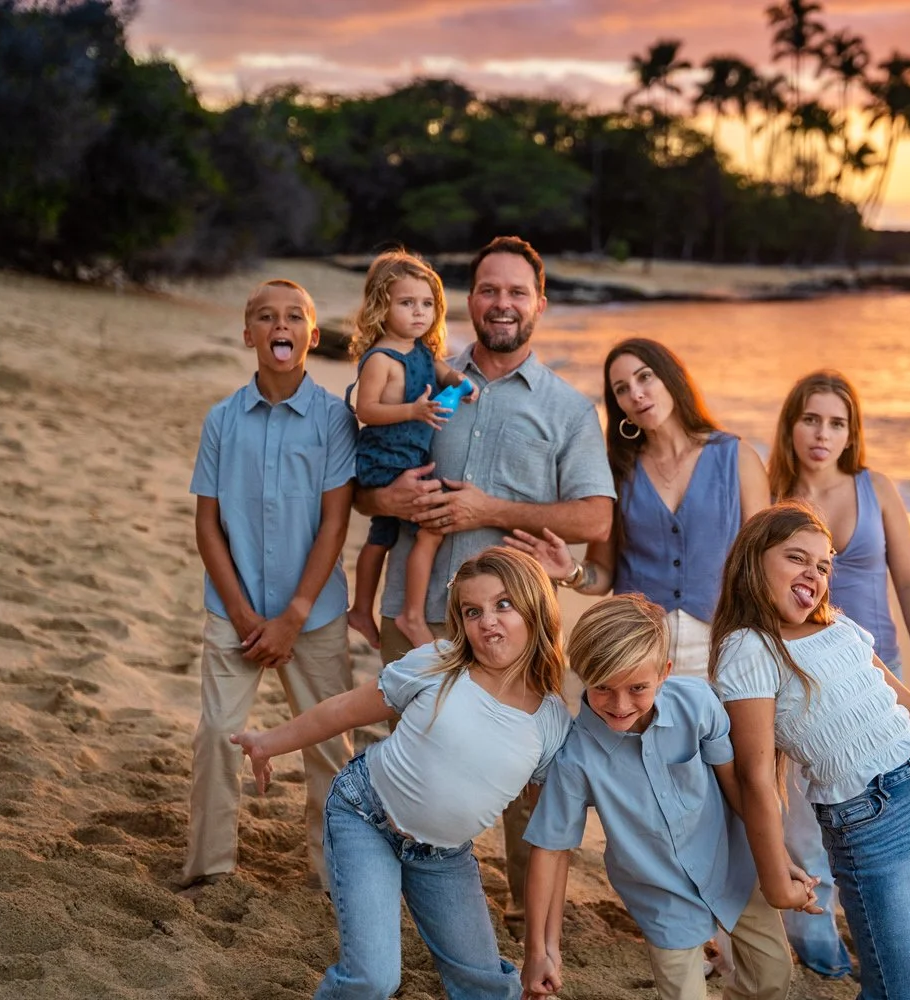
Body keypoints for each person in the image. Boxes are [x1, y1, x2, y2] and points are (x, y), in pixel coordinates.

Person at [356, 235, 614, 928]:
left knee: (527, 780)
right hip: (417, 612)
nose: (503, 304)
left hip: (518, 627)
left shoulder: (566, 408)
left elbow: (595, 515)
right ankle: (402, 906)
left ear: (540, 304)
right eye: (490, 290)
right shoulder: (422, 379)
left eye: (517, 292)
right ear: (470, 301)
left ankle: (529, 917)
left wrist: (491, 510)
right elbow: (367, 485)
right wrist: (387, 499)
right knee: (408, 763)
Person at [230, 548, 571, 1000]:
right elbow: (344, 711)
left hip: (443, 857)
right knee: (374, 979)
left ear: (537, 607)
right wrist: (268, 742)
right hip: (364, 817)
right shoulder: (440, 664)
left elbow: (550, 842)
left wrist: (542, 950)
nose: (487, 621)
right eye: (473, 611)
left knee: (490, 988)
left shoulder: (550, 721)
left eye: (503, 604)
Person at [709, 502, 910, 1000]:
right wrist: (775, 876)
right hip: (869, 821)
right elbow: (754, 774)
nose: (813, 574)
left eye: (823, 566)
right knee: (904, 988)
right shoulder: (749, 648)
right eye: (796, 558)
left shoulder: (838, 627)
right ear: (753, 560)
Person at [521, 594, 805, 1000]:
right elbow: (550, 850)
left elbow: (737, 789)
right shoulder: (575, 758)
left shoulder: (698, 704)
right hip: (661, 898)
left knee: (772, 976)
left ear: (664, 672)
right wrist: (540, 950)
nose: (620, 705)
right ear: (582, 674)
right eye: (603, 688)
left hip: (732, 867)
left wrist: (778, 858)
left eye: (638, 688)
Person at [180, 279, 357, 890]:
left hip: (315, 615)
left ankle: (334, 876)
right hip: (235, 612)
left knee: (329, 747)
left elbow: (335, 524)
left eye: (294, 317)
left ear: (312, 334)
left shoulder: (335, 420)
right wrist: (241, 612)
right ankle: (210, 868)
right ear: (247, 333)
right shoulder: (222, 421)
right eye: (265, 316)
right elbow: (207, 526)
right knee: (216, 735)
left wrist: (294, 615)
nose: (280, 325)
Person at [766, 369, 910, 977]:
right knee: (805, 823)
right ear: (791, 426)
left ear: (852, 432)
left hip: (879, 672)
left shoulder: (876, 489)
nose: (822, 433)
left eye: (836, 423)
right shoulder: (770, 497)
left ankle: (896, 939)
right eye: (811, 419)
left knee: (899, 810)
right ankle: (821, 951)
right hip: (800, 680)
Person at [505, 337, 770, 679]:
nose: (636, 394)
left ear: (671, 378)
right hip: (637, 648)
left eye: (645, 377)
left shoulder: (738, 458)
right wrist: (571, 570)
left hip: (722, 645)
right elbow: (602, 574)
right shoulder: (617, 472)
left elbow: (763, 563)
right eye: (622, 389)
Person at [343, 250, 475, 651]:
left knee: (382, 536)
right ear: (381, 307)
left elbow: (445, 373)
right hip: (385, 457)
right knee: (431, 530)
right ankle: (411, 615)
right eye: (406, 303)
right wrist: (412, 410)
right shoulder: (380, 359)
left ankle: (361, 610)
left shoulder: (422, 352)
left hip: (410, 457)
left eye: (427, 304)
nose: (419, 312)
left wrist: (462, 384)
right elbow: (366, 410)